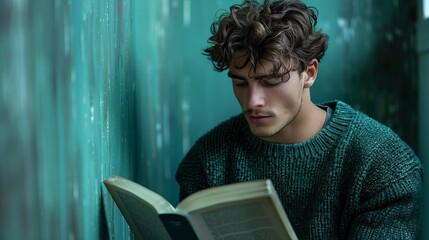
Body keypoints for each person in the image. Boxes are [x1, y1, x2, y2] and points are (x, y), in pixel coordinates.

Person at [175, 0, 423, 238]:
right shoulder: (207, 160)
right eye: (240, 82)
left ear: (310, 73)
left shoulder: (383, 164)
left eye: (271, 81)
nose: (252, 102)